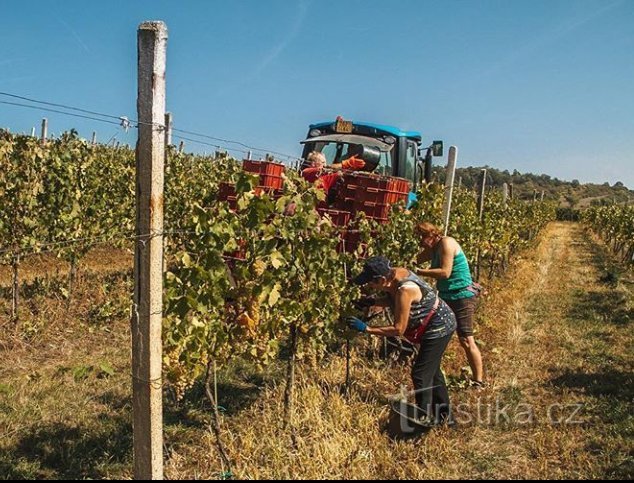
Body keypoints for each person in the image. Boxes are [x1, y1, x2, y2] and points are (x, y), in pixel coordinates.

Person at [347, 256, 457, 426]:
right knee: (432, 373)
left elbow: (399, 329)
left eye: (371, 283)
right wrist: (374, 301)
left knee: (420, 374)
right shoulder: (396, 274)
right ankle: (446, 418)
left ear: (382, 279)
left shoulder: (405, 290)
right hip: (438, 322)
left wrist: (367, 329)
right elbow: (393, 301)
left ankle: (423, 421)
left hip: (439, 328)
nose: (369, 286)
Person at [415, 222, 485, 389]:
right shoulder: (433, 247)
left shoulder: (447, 243)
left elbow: (445, 272)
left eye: (422, 239)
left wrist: (418, 271)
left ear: (431, 235)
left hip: (461, 296)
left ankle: (479, 382)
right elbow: (416, 258)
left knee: (466, 340)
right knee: (437, 334)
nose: (421, 243)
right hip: (446, 296)